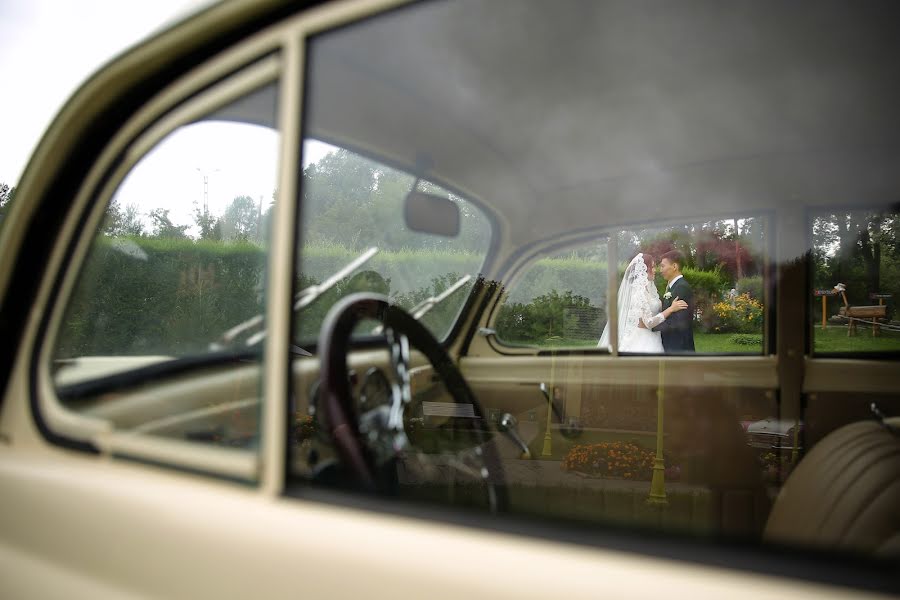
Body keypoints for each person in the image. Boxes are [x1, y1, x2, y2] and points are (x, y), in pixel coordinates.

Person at [598, 253, 688, 353]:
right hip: (643, 338)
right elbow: (648, 323)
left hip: (655, 337)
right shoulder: (637, 293)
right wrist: (671, 309)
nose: (655, 270)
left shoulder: (650, 290)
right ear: (644, 270)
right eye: (652, 267)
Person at [647, 249, 695, 352]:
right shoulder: (672, 287)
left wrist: (651, 326)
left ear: (674, 267)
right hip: (671, 344)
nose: (660, 270)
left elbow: (677, 322)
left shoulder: (682, 287)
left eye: (663, 266)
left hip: (679, 347)